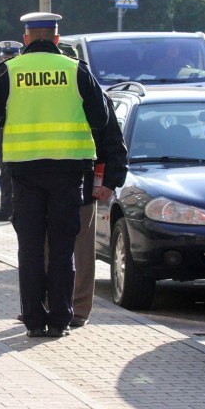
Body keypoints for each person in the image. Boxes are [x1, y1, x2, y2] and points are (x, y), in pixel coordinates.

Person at [0, 11, 109, 338]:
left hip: (25, 170)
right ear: (57, 39)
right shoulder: (76, 70)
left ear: (26, 39)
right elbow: (101, 117)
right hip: (68, 170)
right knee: (63, 247)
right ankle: (61, 319)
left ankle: (34, 320)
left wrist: (8, 119)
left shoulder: (10, 70)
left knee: (31, 247)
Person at [70, 98, 127, 327]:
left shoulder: (89, 90)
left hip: (82, 182)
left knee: (81, 249)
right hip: (44, 184)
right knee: (44, 248)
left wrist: (111, 180)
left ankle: (77, 309)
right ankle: (47, 305)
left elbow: (112, 140)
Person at [0, 41, 23, 222]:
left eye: (11, 57)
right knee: (4, 171)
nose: (7, 60)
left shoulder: (22, 75)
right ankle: (6, 209)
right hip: (2, 130)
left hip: (20, 131)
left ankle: (15, 209)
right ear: (1, 57)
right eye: (5, 57)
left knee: (18, 173)